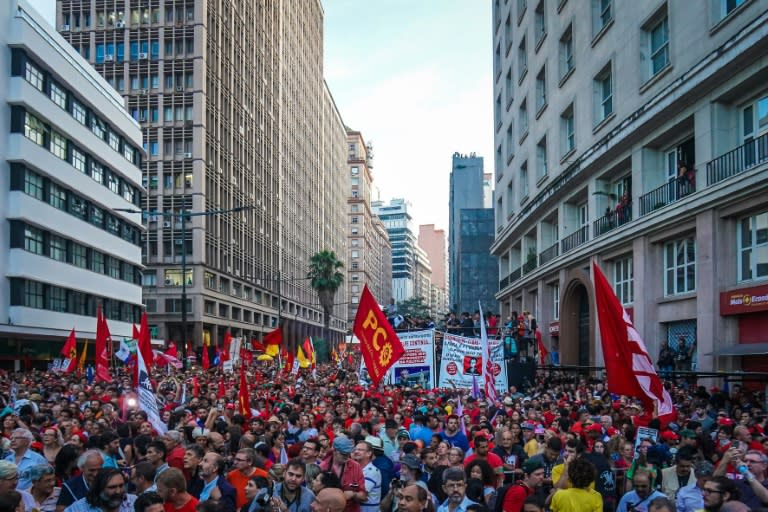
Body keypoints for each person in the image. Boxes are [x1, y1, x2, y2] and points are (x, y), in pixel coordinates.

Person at [320, 437, 366, 512]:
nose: (347, 457)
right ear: (334, 450)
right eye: (344, 454)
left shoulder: (356, 466)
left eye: (349, 453)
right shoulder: (323, 467)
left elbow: (363, 496)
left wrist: (353, 494)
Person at [64, 468, 136, 512]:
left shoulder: (134, 502)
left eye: (121, 486)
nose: (118, 491)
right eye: (112, 487)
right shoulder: (79, 508)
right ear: (99, 489)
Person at [351, 441, 381, 512]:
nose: (356, 451)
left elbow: (361, 495)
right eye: (355, 449)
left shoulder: (372, 471)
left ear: (369, 453)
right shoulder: (356, 469)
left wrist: (350, 493)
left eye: (360, 450)